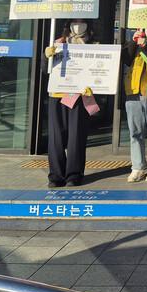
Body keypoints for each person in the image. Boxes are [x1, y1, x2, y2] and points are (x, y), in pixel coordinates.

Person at [43, 19, 97, 188]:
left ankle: (74, 174)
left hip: (79, 96)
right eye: (75, 21)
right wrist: (46, 57)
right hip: (57, 94)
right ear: (69, 24)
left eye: (82, 22)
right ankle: (56, 175)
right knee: (56, 137)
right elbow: (45, 70)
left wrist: (95, 85)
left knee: (76, 136)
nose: (78, 25)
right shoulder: (58, 43)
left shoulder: (94, 45)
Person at [121, 28, 147, 183]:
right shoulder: (133, 43)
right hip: (133, 91)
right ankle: (138, 167)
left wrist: (146, 46)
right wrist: (133, 42)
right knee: (135, 132)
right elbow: (125, 59)